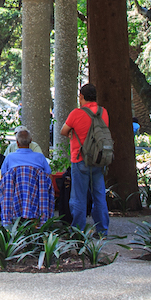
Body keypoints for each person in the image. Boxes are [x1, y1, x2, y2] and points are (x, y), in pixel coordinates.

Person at [64, 83, 109, 233]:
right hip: (99, 159)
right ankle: (102, 230)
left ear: (81, 96)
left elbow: (64, 131)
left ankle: (78, 230)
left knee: (79, 197)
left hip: (80, 159)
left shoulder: (76, 113)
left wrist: (72, 132)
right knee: (99, 195)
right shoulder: (103, 112)